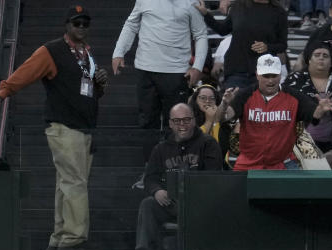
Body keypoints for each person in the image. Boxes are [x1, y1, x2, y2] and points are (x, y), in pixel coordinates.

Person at [0, 6, 108, 250]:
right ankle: (74, 237)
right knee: (75, 182)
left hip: (85, 128)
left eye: (85, 24)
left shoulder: (86, 55)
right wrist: (1, 95)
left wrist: (100, 84)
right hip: (64, 127)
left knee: (67, 182)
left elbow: (90, 93)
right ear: (66, 25)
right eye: (76, 23)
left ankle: (59, 237)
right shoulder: (51, 51)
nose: (81, 27)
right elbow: (24, 73)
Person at [134, 103, 222, 250]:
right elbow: (150, 178)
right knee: (148, 204)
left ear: (194, 121)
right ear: (170, 124)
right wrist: (157, 191)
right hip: (172, 202)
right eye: (177, 121)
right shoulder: (161, 149)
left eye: (186, 120)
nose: (182, 125)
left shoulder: (208, 144)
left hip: (200, 203)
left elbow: (213, 177)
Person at [227, 54, 332, 171]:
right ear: (257, 74)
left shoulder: (294, 96)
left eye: (274, 75)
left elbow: (314, 114)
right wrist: (224, 105)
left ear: (280, 75)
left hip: (283, 163)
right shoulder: (245, 95)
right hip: (248, 163)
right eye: (266, 75)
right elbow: (225, 117)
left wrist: (320, 110)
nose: (270, 80)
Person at [112, 0, 209, 130]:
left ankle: (175, 151)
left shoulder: (192, 2)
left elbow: (201, 33)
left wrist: (197, 66)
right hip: (146, 69)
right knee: (147, 123)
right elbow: (131, 24)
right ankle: (149, 151)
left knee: (177, 124)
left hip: (177, 72)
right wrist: (118, 52)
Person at [195, 0, 288, 91]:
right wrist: (206, 14)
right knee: (233, 103)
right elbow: (222, 29)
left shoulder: (279, 12)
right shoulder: (238, 6)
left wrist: (267, 47)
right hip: (236, 69)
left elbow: (282, 45)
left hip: (264, 72)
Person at [283, 44, 332, 152]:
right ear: (309, 60)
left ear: (331, 62)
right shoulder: (295, 79)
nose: (321, 57)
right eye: (317, 55)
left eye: (325, 56)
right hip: (299, 140)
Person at [190, 84, 233, 166]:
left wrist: (215, 119)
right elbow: (195, 146)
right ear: (195, 100)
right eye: (203, 98)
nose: (207, 101)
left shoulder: (221, 123)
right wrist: (209, 121)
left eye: (212, 98)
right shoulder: (188, 120)